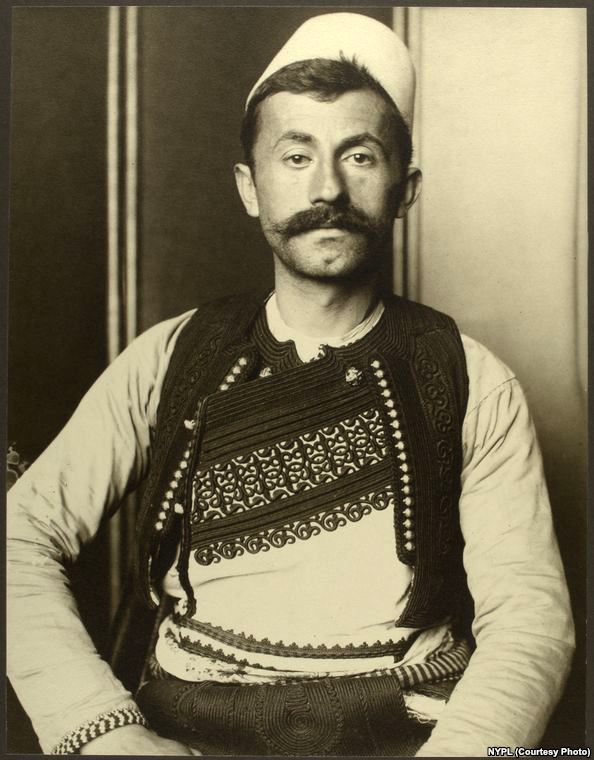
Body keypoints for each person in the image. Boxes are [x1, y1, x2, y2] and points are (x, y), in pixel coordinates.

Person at [7, 12, 575, 757]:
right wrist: (105, 735)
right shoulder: (170, 358)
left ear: (405, 188)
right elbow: (18, 535)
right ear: (250, 187)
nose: (328, 187)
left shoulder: (473, 379)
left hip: (411, 735)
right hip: (184, 734)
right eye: (297, 155)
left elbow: (531, 617)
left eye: (360, 156)